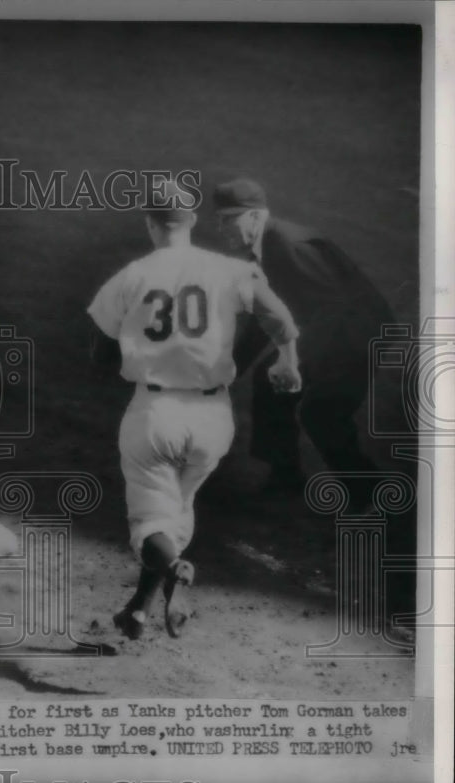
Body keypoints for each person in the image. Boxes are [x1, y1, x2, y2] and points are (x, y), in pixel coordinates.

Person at [87, 184, 302, 640]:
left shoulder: (131, 276)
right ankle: (139, 610)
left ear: (150, 224)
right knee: (177, 511)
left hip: (155, 414)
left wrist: (141, 345)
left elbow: (100, 356)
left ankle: (175, 570)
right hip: (213, 419)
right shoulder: (229, 270)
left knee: (149, 523)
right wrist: (288, 361)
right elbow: (279, 318)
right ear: (192, 222)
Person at [213, 178, 395, 508]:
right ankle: (285, 477)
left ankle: (370, 492)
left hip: (358, 333)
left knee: (321, 413)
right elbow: (266, 315)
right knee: (270, 382)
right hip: (335, 328)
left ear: (254, 216)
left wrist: (294, 362)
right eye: (220, 219)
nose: (221, 228)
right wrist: (231, 367)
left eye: (229, 219)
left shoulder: (287, 244)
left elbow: (336, 307)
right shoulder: (264, 246)